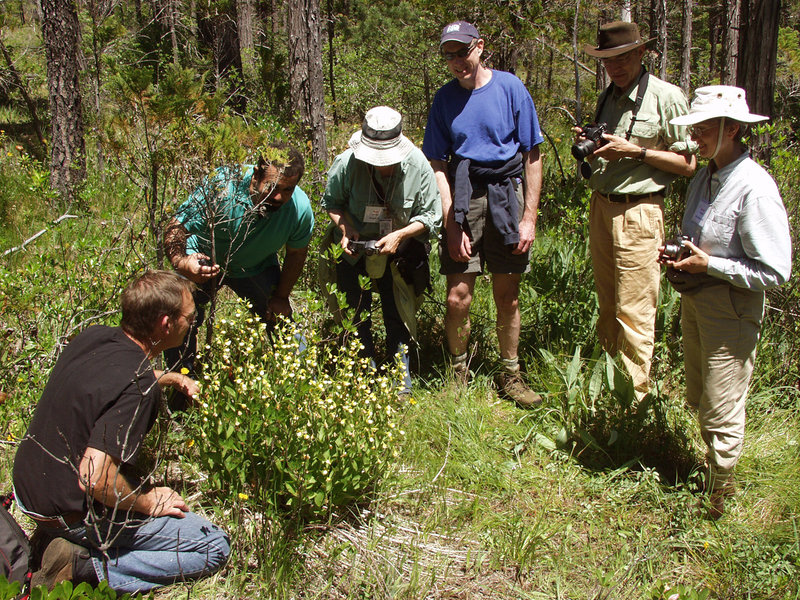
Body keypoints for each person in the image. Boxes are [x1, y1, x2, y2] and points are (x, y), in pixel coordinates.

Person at [12, 271, 231, 593]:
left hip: (28, 490)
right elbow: (93, 477)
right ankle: (82, 566)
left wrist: (169, 378)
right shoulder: (138, 385)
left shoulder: (95, 336)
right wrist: (146, 502)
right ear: (165, 323)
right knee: (212, 546)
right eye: (190, 316)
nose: (192, 322)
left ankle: (61, 542)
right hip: (68, 512)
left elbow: (109, 376)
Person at [660, 86, 791, 518]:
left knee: (722, 406)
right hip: (698, 301)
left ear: (731, 129)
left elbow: (775, 272)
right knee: (701, 396)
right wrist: (682, 256)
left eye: (702, 128)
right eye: (693, 127)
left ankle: (719, 499)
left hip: (730, 309)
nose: (693, 135)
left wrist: (710, 266)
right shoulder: (708, 175)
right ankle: (715, 475)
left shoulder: (754, 188)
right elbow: (703, 238)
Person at [422, 20, 544, 407]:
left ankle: (511, 374)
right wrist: (451, 219)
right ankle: (458, 372)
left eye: (463, 51)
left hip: (507, 195)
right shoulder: (444, 100)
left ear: (481, 46)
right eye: (449, 55)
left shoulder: (511, 88)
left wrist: (529, 217)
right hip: (464, 194)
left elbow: (532, 155)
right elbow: (437, 163)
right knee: (458, 296)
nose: (458, 61)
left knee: (507, 296)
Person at [580, 21, 697, 400]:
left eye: (624, 57)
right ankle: (612, 386)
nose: (616, 66)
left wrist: (637, 152)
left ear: (641, 54)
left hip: (641, 212)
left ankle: (634, 402)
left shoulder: (666, 97)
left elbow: (688, 164)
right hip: (603, 208)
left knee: (634, 311)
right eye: (609, 60)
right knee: (608, 305)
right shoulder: (607, 97)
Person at [164, 145, 314, 384]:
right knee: (178, 317)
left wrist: (282, 295)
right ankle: (180, 383)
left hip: (254, 264)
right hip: (202, 260)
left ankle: (300, 384)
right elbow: (176, 228)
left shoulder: (299, 209)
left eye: (287, 190)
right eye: (272, 187)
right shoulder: (222, 185)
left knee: (281, 318)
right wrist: (182, 263)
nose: (278, 197)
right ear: (256, 175)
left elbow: (296, 253)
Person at [322, 106, 441, 393]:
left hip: (398, 251)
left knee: (396, 313)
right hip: (353, 250)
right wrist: (345, 229)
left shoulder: (418, 165)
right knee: (354, 312)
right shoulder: (347, 163)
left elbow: (432, 217)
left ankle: (401, 378)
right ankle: (365, 373)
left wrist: (401, 234)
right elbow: (332, 203)